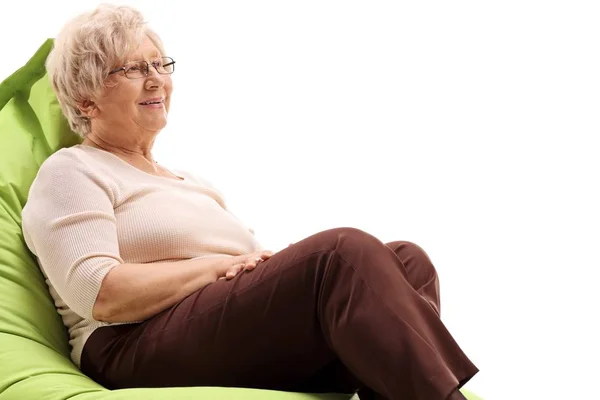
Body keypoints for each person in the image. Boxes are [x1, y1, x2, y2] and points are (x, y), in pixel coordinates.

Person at [21, 4, 478, 400]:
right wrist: (215, 267)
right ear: (86, 101)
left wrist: (249, 269)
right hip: (129, 344)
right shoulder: (72, 170)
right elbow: (99, 293)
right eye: (134, 69)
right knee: (341, 252)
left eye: (161, 65)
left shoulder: (190, 182)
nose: (156, 79)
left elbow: (246, 280)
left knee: (405, 261)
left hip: (214, 332)